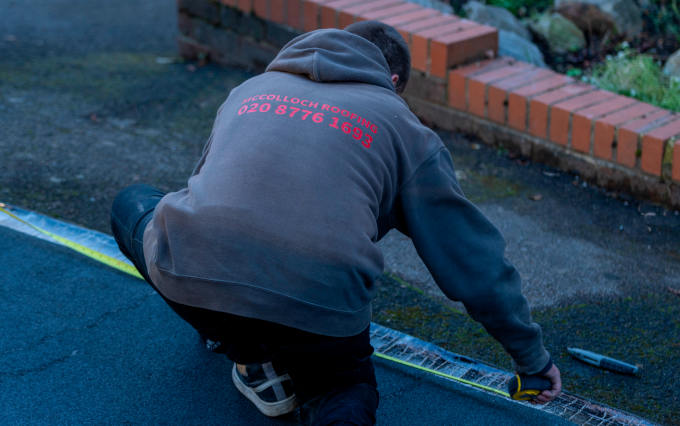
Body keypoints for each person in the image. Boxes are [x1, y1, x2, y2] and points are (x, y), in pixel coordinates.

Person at [110, 20, 561, 425]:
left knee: (135, 205)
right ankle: (271, 363)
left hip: (196, 266)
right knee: (342, 391)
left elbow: (205, 187)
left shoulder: (250, 91)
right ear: (394, 80)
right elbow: (470, 260)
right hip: (317, 295)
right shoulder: (403, 128)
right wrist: (533, 363)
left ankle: (250, 356)